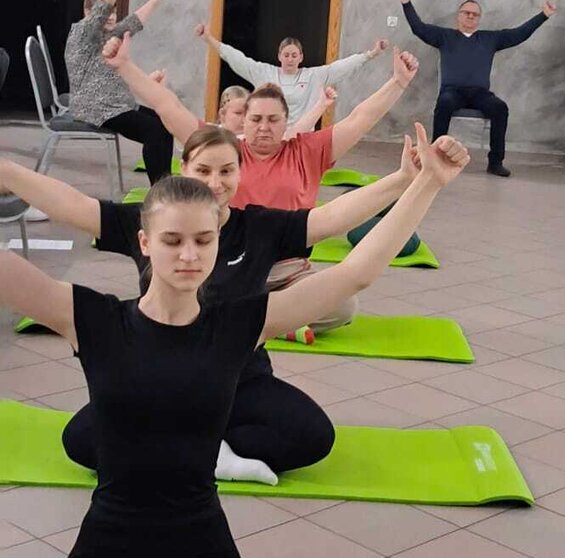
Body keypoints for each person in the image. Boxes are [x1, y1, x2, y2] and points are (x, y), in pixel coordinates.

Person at [0, 129, 468, 558]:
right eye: (172, 241)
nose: (188, 256)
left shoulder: (236, 327)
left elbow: (353, 275)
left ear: (218, 241)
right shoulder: (90, 319)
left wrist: (426, 183)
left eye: (203, 241)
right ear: (144, 243)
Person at [0, 130, 423, 486]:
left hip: (235, 373)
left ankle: (203, 447)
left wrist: (407, 181)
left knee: (311, 435)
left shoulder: (257, 231)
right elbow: (74, 206)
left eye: (226, 171)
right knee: (82, 440)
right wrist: (7, 171)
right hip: (154, 374)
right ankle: (205, 449)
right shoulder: (150, 220)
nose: (216, 182)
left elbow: (335, 232)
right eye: (203, 170)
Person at [105, 38, 419, 336]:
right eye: (256, 119)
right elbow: (168, 106)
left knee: (343, 307)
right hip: (228, 268)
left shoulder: (308, 151)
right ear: (245, 120)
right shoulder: (224, 152)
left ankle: (247, 319)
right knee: (195, 291)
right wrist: (124, 66)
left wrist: (398, 82)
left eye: (273, 120)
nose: (264, 127)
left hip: (286, 272)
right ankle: (273, 324)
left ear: (286, 121)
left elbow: (360, 119)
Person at [396, 0, 556, 177]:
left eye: (475, 14)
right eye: (467, 13)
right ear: (459, 16)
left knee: (500, 108)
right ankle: (436, 157)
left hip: (480, 94)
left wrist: (543, 15)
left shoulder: (490, 38)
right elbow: (418, 28)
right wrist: (405, 2)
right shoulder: (445, 36)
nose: (471, 16)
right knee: (444, 104)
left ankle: (495, 163)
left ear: (479, 18)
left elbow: (519, 34)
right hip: (452, 91)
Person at [64, 0, 174, 185]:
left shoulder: (107, 35)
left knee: (166, 120)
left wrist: (153, 2)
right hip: (98, 107)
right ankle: (160, 191)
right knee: (153, 131)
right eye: (106, 13)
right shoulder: (82, 34)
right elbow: (101, 10)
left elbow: (132, 23)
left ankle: (166, 185)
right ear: (88, 14)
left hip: (119, 104)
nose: (110, 16)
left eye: (114, 12)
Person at [196, 24, 388, 127]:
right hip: (271, 134)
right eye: (286, 55)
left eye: (294, 55)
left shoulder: (314, 76)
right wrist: (209, 39)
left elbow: (342, 67)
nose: (290, 59)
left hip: (302, 136)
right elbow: (237, 58)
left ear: (301, 57)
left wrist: (371, 54)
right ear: (279, 56)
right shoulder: (264, 72)